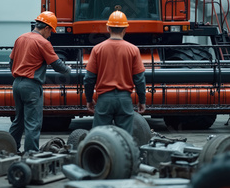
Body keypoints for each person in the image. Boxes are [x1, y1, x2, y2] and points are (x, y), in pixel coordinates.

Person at [9, 11, 71, 153]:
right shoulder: (43, 42)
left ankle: (10, 150)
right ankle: (31, 154)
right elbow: (57, 65)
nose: (50, 35)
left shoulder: (21, 38)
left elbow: (10, 63)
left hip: (17, 84)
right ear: (47, 28)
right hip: (31, 86)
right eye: (51, 32)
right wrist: (68, 70)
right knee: (33, 123)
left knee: (19, 120)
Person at [84, 10, 146, 134]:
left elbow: (89, 78)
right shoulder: (133, 50)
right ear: (125, 29)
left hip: (104, 100)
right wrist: (142, 100)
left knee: (99, 138)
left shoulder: (97, 49)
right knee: (125, 139)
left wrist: (89, 99)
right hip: (124, 100)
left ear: (108, 28)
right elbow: (139, 79)